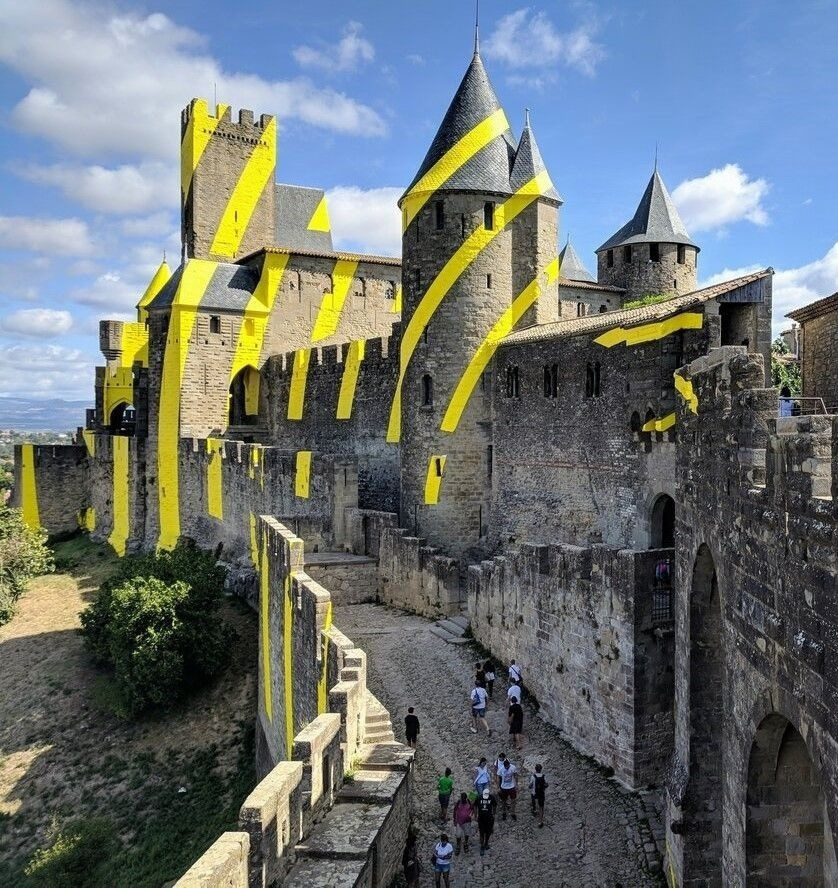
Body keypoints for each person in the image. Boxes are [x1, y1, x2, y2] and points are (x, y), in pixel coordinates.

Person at [476, 787, 498, 856]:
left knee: (488, 832)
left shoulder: (492, 797)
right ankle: (482, 846)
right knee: (481, 833)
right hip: (481, 818)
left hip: (489, 818)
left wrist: (494, 813)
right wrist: (475, 815)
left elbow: (495, 805)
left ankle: (486, 843)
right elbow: (475, 805)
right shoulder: (479, 798)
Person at [498, 756, 518, 820]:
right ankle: (504, 813)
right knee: (504, 801)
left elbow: (515, 775)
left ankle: (513, 813)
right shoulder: (501, 769)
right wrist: (499, 787)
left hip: (511, 786)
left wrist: (516, 784)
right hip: (504, 787)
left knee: (513, 800)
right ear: (504, 765)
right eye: (505, 767)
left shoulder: (513, 767)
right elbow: (499, 778)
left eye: (508, 766)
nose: (507, 768)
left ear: (509, 764)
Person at [529, 763, 547, 827]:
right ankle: (540, 821)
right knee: (541, 807)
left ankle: (534, 810)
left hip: (534, 793)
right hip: (541, 793)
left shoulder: (533, 776)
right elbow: (546, 784)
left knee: (534, 802)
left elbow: (530, 786)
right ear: (541, 769)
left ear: (535, 769)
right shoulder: (544, 776)